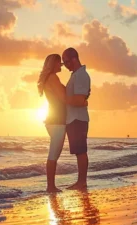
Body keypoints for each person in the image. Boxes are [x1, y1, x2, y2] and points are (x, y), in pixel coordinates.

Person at [38, 54, 70, 193]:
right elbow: (63, 98)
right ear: (53, 63)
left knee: (55, 154)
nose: (61, 65)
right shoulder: (52, 78)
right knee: (53, 154)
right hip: (56, 120)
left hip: (55, 119)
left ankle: (51, 186)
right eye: (59, 63)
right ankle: (50, 186)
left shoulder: (50, 78)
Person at [62, 47, 91, 191]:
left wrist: (62, 99)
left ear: (74, 58)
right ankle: (81, 181)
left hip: (77, 118)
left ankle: (82, 182)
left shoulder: (81, 75)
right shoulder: (76, 75)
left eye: (66, 62)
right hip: (74, 118)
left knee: (81, 151)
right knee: (79, 151)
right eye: (63, 63)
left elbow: (79, 100)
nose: (65, 65)